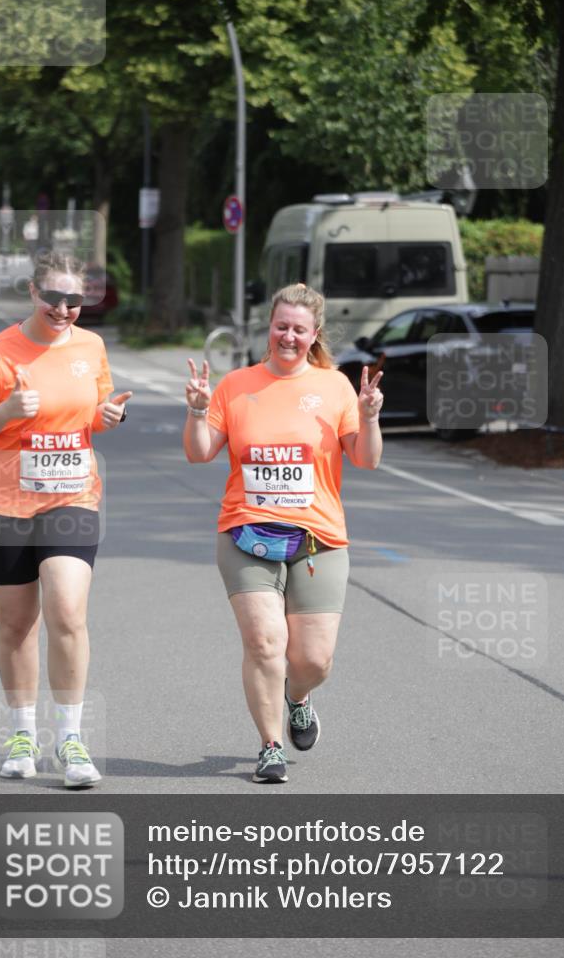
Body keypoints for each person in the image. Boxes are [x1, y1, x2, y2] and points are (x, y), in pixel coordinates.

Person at [184, 283, 383, 783]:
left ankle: (298, 696)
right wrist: (195, 410)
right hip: (245, 533)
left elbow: (366, 458)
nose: (288, 337)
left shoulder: (335, 386)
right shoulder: (236, 385)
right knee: (265, 644)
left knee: (312, 660)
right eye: (280, 327)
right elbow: (199, 451)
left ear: (313, 334)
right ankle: (270, 745)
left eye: (298, 329)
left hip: (318, 540)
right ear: (267, 328)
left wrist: (369, 416)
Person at [0, 250, 131, 788]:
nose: (63, 309)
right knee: (15, 624)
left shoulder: (91, 346)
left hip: (71, 499)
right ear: (33, 293)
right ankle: (21, 734)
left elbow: (95, 414)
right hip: (4, 505)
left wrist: (108, 417)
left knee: (67, 611)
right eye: (53, 297)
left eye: (74, 300)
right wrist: (7, 412)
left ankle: (71, 740)